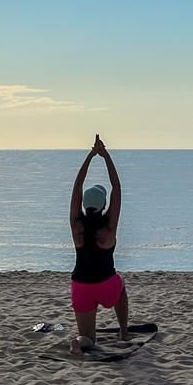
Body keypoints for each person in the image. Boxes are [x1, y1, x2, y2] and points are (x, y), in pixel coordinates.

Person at [68, 134, 129, 355]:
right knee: (121, 282)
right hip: (106, 285)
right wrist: (106, 156)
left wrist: (90, 155)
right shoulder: (108, 229)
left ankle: (79, 342)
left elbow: (77, 186)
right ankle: (123, 331)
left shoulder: (77, 227)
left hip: (81, 286)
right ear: (104, 204)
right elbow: (117, 187)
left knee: (88, 338)